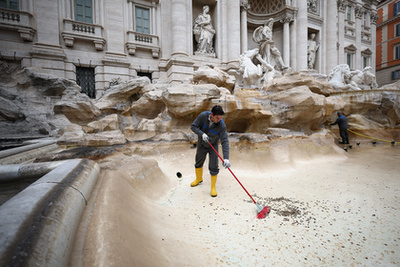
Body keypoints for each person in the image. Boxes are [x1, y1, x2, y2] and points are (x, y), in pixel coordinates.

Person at [190, 105, 230, 197]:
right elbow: (193, 126)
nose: (218, 120)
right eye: (217, 117)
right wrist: (202, 134)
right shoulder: (202, 116)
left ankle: (213, 188)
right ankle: (198, 179)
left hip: (213, 146)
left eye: (220, 118)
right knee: (198, 161)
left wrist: (226, 158)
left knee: (213, 165)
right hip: (202, 144)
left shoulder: (221, 125)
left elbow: (225, 141)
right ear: (211, 114)